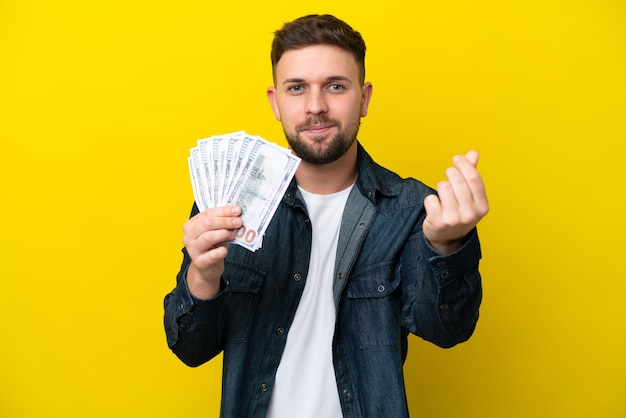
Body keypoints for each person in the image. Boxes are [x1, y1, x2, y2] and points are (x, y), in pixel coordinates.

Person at [164, 14, 489, 418]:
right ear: (275, 102)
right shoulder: (224, 201)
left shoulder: (413, 210)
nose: (316, 107)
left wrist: (446, 246)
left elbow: (447, 331)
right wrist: (202, 276)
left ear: (365, 97)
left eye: (335, 86)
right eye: (297, 88)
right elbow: (190, 349)